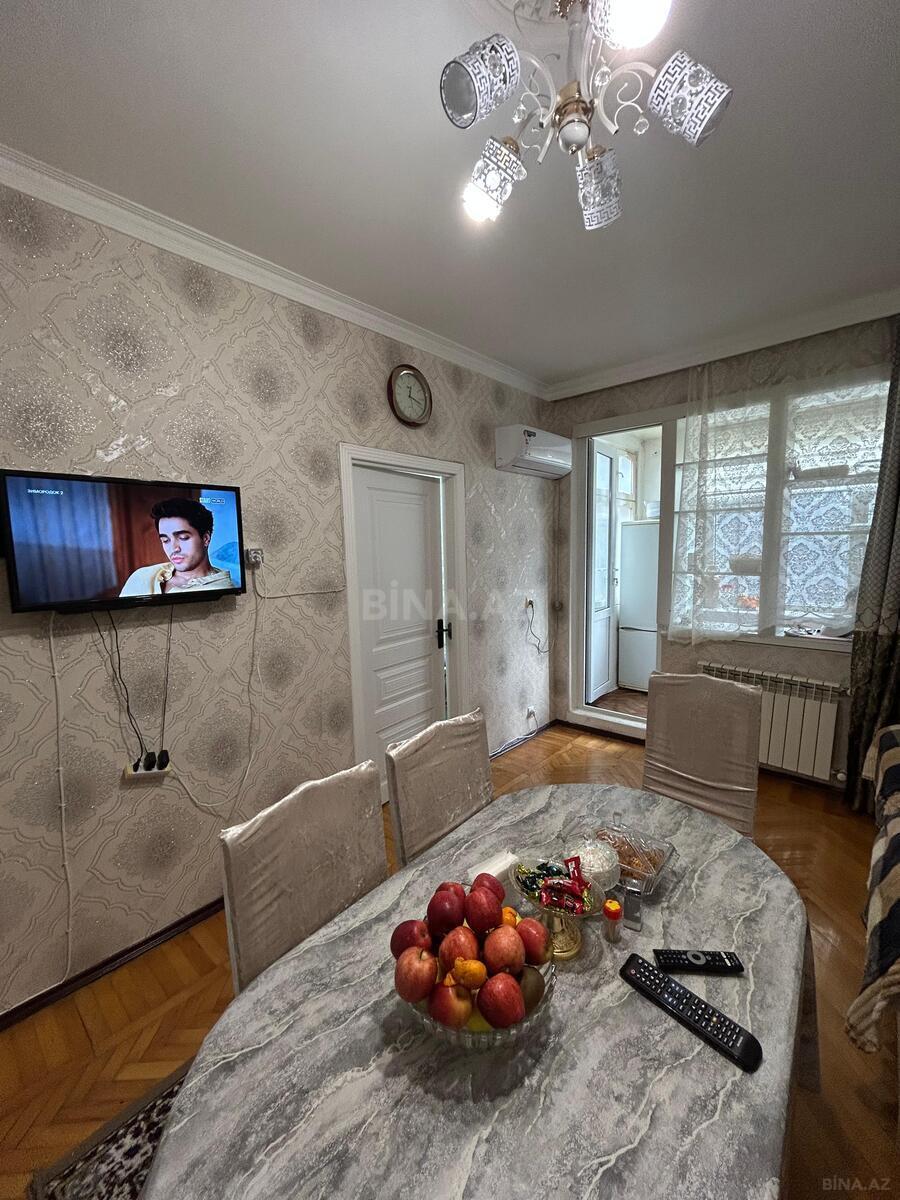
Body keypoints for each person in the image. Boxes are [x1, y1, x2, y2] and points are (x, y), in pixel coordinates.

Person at [118, 498, 235, 596]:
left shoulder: (221, 589)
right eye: (165, 540)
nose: (174, 548)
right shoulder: (142, 576)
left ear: (205, 538)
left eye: (183, 538)